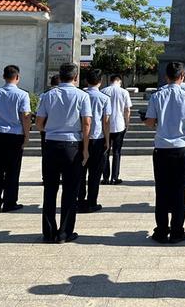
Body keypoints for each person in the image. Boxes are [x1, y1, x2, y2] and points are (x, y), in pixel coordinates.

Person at [36, 62, 92, 243]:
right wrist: (85, 149)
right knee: (70, 190)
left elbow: (39, 122)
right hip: (72, 146)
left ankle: (49, 231)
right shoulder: (82, 96)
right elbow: (86, 123)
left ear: (59, 76)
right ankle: (65, 232)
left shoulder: (48, 95)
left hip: (51, 144)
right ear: (76, 77)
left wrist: (50, 130)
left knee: (50, 189)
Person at [144, 61, 185, 243]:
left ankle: (161, 231)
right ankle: (177, 231)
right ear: (182, 76)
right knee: (179, 192)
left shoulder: (156, 96)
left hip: (161, 149)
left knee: (161, 191)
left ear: (165, 76)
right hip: (181, 148)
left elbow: (150, 122)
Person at [0, 65, 32, 213]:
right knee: (13, 169)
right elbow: (26, 116)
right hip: (15, 135)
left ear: (3, 76)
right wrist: (27, 135)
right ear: (17, 77)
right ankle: (9, 201)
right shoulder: (22, 95)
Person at [78, 69, 112, 213]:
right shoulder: (104, 98)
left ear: (86, 81)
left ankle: (80, 200)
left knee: (80, 171)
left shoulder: (81, 95)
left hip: (80, 137)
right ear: (101, 81)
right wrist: (108, 139)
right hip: (97, 138)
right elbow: (106, 121)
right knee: (95, 173)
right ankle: (92, 201)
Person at [101, 74, 132, 185]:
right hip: (119, 125)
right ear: (119, 81)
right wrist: (127, 123)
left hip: (106, 125)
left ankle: (105, 177)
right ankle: (114, 177)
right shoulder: (124, 92)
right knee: (117, 152)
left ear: (111, 80)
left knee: (105, 151)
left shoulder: (103, 91)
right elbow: (127, 110)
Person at [38, 74, 60, 153]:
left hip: (47, 129)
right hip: (63, 130)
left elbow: (38, 112)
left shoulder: (44, 95)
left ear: (51, 83)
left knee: (46, 155)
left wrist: (42, 129)